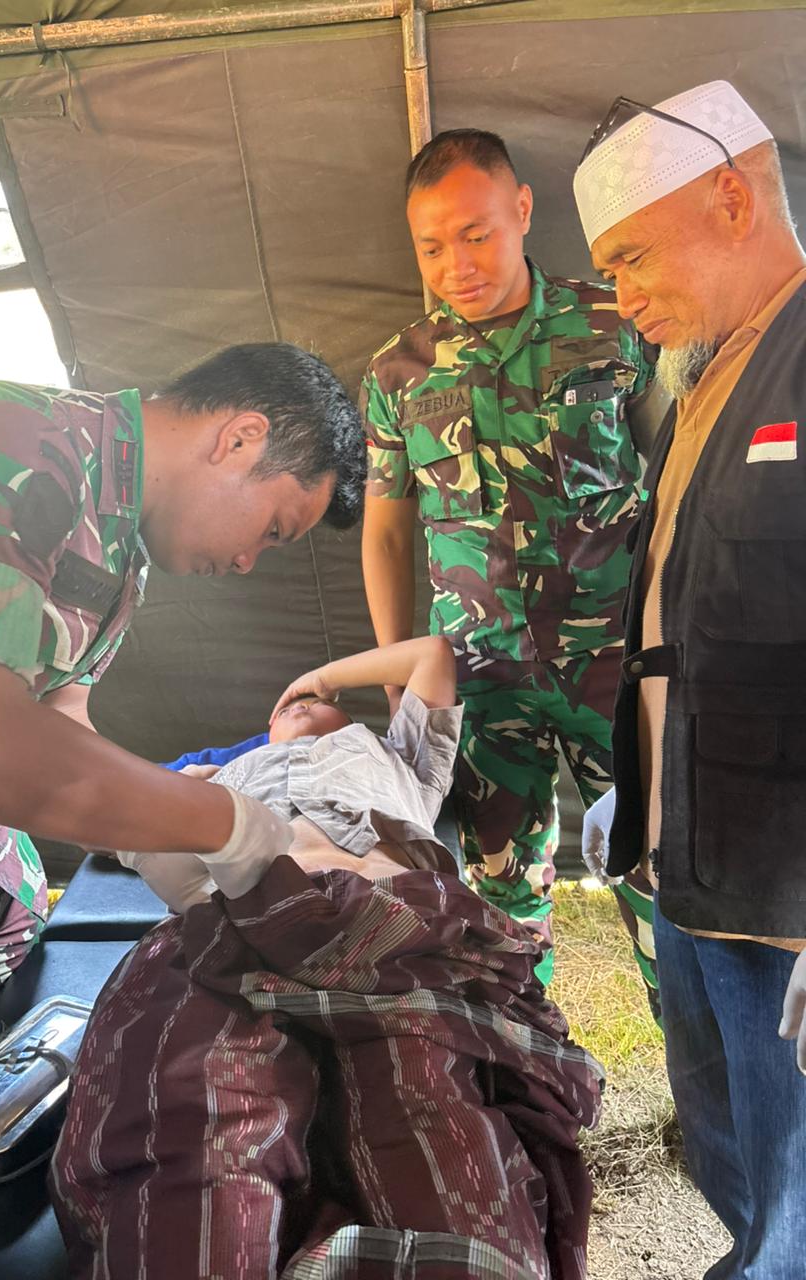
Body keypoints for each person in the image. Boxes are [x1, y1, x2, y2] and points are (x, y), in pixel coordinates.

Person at [0, 342, 365, 1180]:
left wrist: (156, 817)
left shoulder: (120, 541)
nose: (245, 562)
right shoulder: (10, 441)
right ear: (239, 438)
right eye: (271, 531)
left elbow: (61, 716)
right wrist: (222, 822)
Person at [51, 636, 603, 1280]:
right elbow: (98, 808)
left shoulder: (406, 766)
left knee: (422, 1096)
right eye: (284, 707)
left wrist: (320, 675)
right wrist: (183, 800)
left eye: (319, 703)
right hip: (228, 931)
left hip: (385, 921)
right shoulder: (217, 776)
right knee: (196, 1097)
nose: (301, 704)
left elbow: (431, 656)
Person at [574, 80, 806, 1279]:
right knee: (721, 1142)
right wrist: (645, 778)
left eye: (627, 256)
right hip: (689, 847)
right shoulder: (695, 378)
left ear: (730, 194)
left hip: (787, 879)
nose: (619, 298)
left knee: (793, 1186)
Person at [360, 128, 663, 998]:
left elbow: (675, 470)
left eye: (477, 233)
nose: (456, 263)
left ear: (523, 210)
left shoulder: (613, 324)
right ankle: (527, 1076)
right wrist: (396, 672)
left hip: (616, 665)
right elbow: (384, 532)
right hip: (483, 680)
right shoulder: (399, 373)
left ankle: (697, 1072)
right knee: (498, 899)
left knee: (654, 870)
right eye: (431, 245)